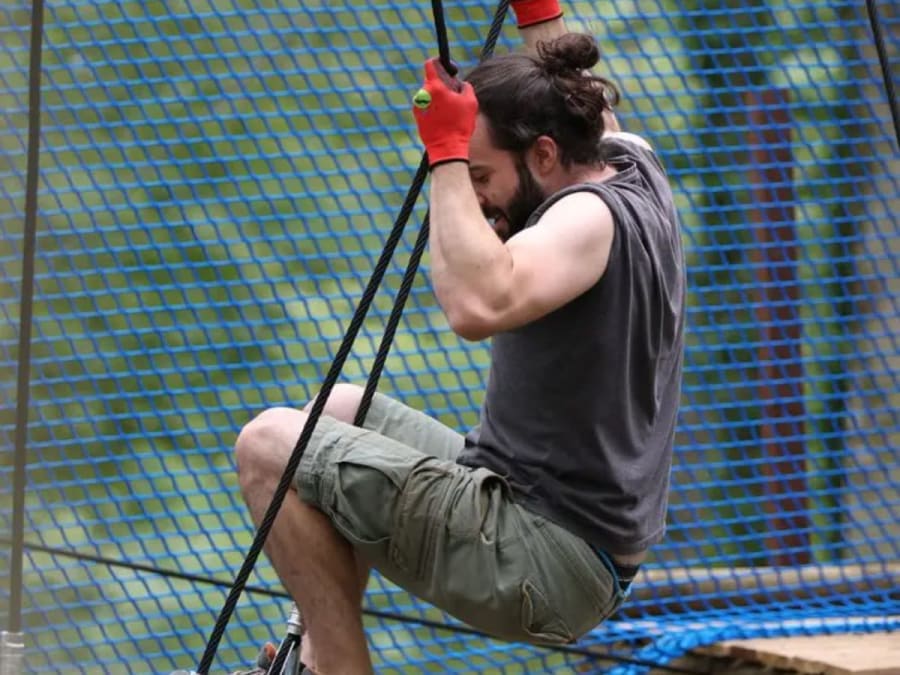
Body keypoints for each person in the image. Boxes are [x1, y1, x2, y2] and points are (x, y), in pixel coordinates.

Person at [233, 0, 685, 672]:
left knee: (267, 445)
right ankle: (317, 652)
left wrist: (446, 153)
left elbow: (477, 303)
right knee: (336, 410)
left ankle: (336, 667)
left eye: (483, 178)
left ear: (543, 154)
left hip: (544, 557)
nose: (477, 199)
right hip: (546, 526)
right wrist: (540, 11)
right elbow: (576, 92)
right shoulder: (626, 164)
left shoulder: (587, 219)